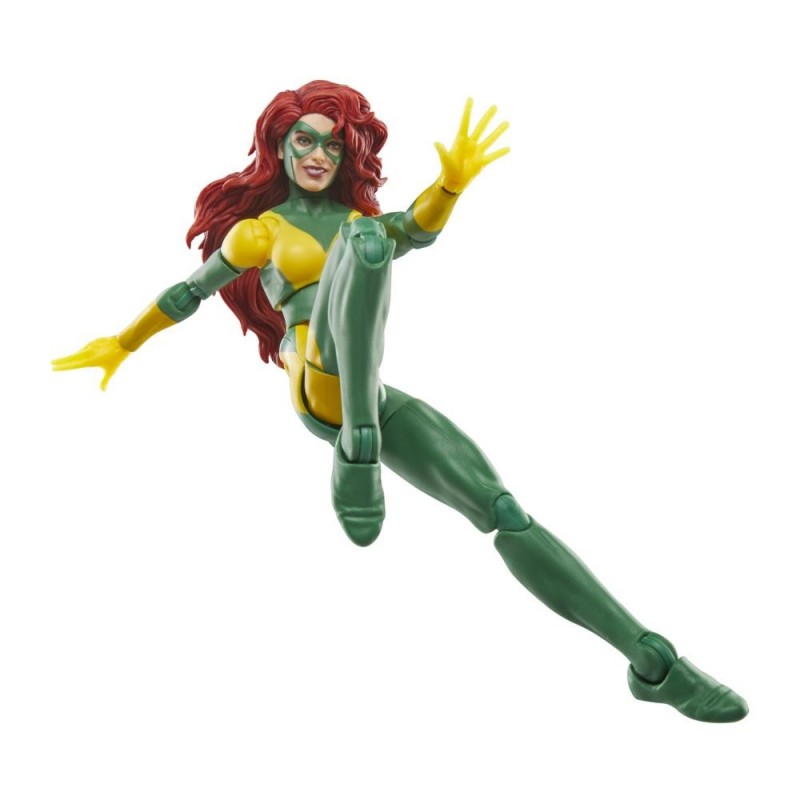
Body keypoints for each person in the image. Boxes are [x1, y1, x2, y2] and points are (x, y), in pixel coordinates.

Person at [53, 80, 747, 722]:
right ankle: (357, 445)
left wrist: (450, 185)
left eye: (333, 144)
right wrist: (123, 342)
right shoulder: (261, 232)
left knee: (503, 511)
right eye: (304, 140)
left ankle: (652, 662)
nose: (319, 154)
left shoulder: (359, 223)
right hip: (316, 378)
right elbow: (189, 293)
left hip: (373, 393)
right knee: (363, 243)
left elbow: (414, 227)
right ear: (279, 147)